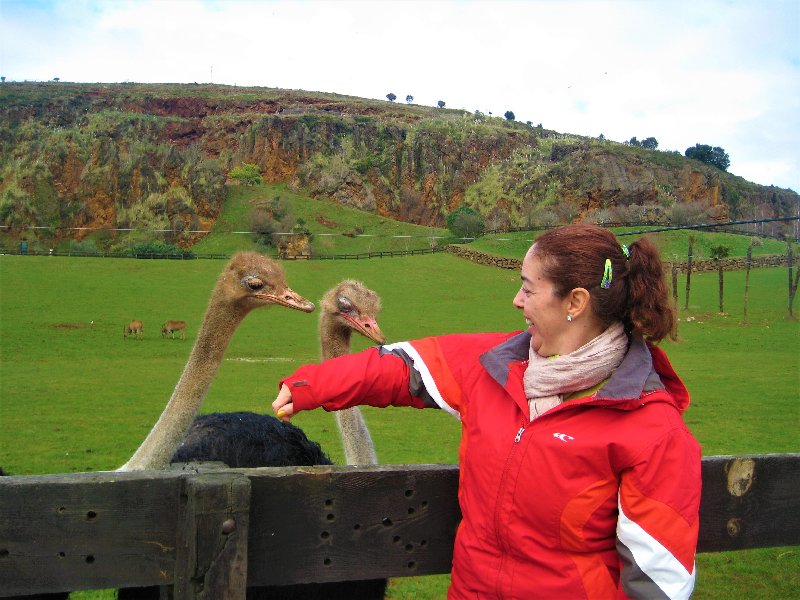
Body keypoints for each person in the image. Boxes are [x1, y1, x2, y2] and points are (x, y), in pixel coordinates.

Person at [273, 224, 701, 599]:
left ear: (575, 301)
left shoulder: (650, 427)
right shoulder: (497, 365)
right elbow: (403, 366)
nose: (517, 300)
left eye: (529, 289)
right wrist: (310, 386)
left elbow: (658, 582)